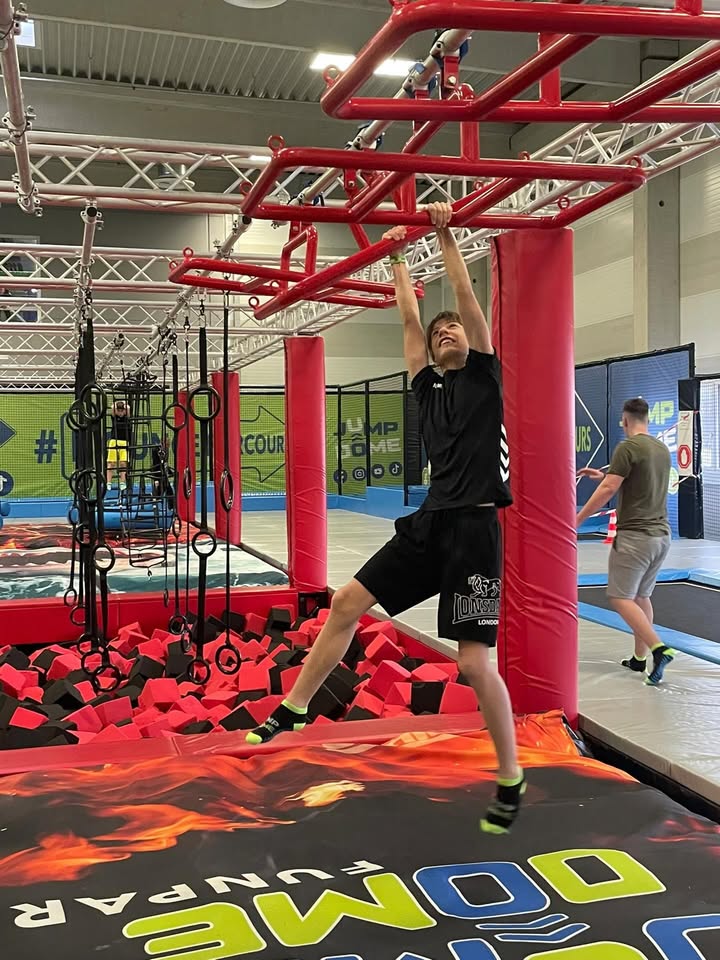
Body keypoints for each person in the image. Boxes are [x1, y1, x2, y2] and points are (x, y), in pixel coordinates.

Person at [247, 201, 525, 834]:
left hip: (475, 531)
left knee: (475, 663)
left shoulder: (485, 377)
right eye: (438, 332)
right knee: (345, 601)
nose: (446, 334)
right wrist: (396, 256)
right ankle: (295, 707)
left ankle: (510, 776)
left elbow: (466, 299)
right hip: (430, 523)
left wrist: (445, 236)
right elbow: (407, 317)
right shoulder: (426, 386)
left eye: (453, 331)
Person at [576, 397, 674, 685]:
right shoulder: (660, 449)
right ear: (647, 419)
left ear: (625, 420)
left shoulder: (627, 447)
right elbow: (636, 480)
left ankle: (659, 649)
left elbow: (610, 489)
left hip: (635, 537)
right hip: (661, 537)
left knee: (620, 597)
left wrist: (578, 519)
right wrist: (603, 475)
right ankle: (639, 658)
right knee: (641, 596)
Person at [107, 399, 130, 490]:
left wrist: (123, 403)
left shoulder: (126, 417)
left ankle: (122, 482)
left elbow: (128, 407)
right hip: (114, 441)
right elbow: (112, 407)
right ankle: (109, 482)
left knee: (123, 463)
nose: (120, 413)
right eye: (118, 411)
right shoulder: (114, 417)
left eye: (122, 411)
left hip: (124, 441)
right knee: (111, 463)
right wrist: (117, 404)